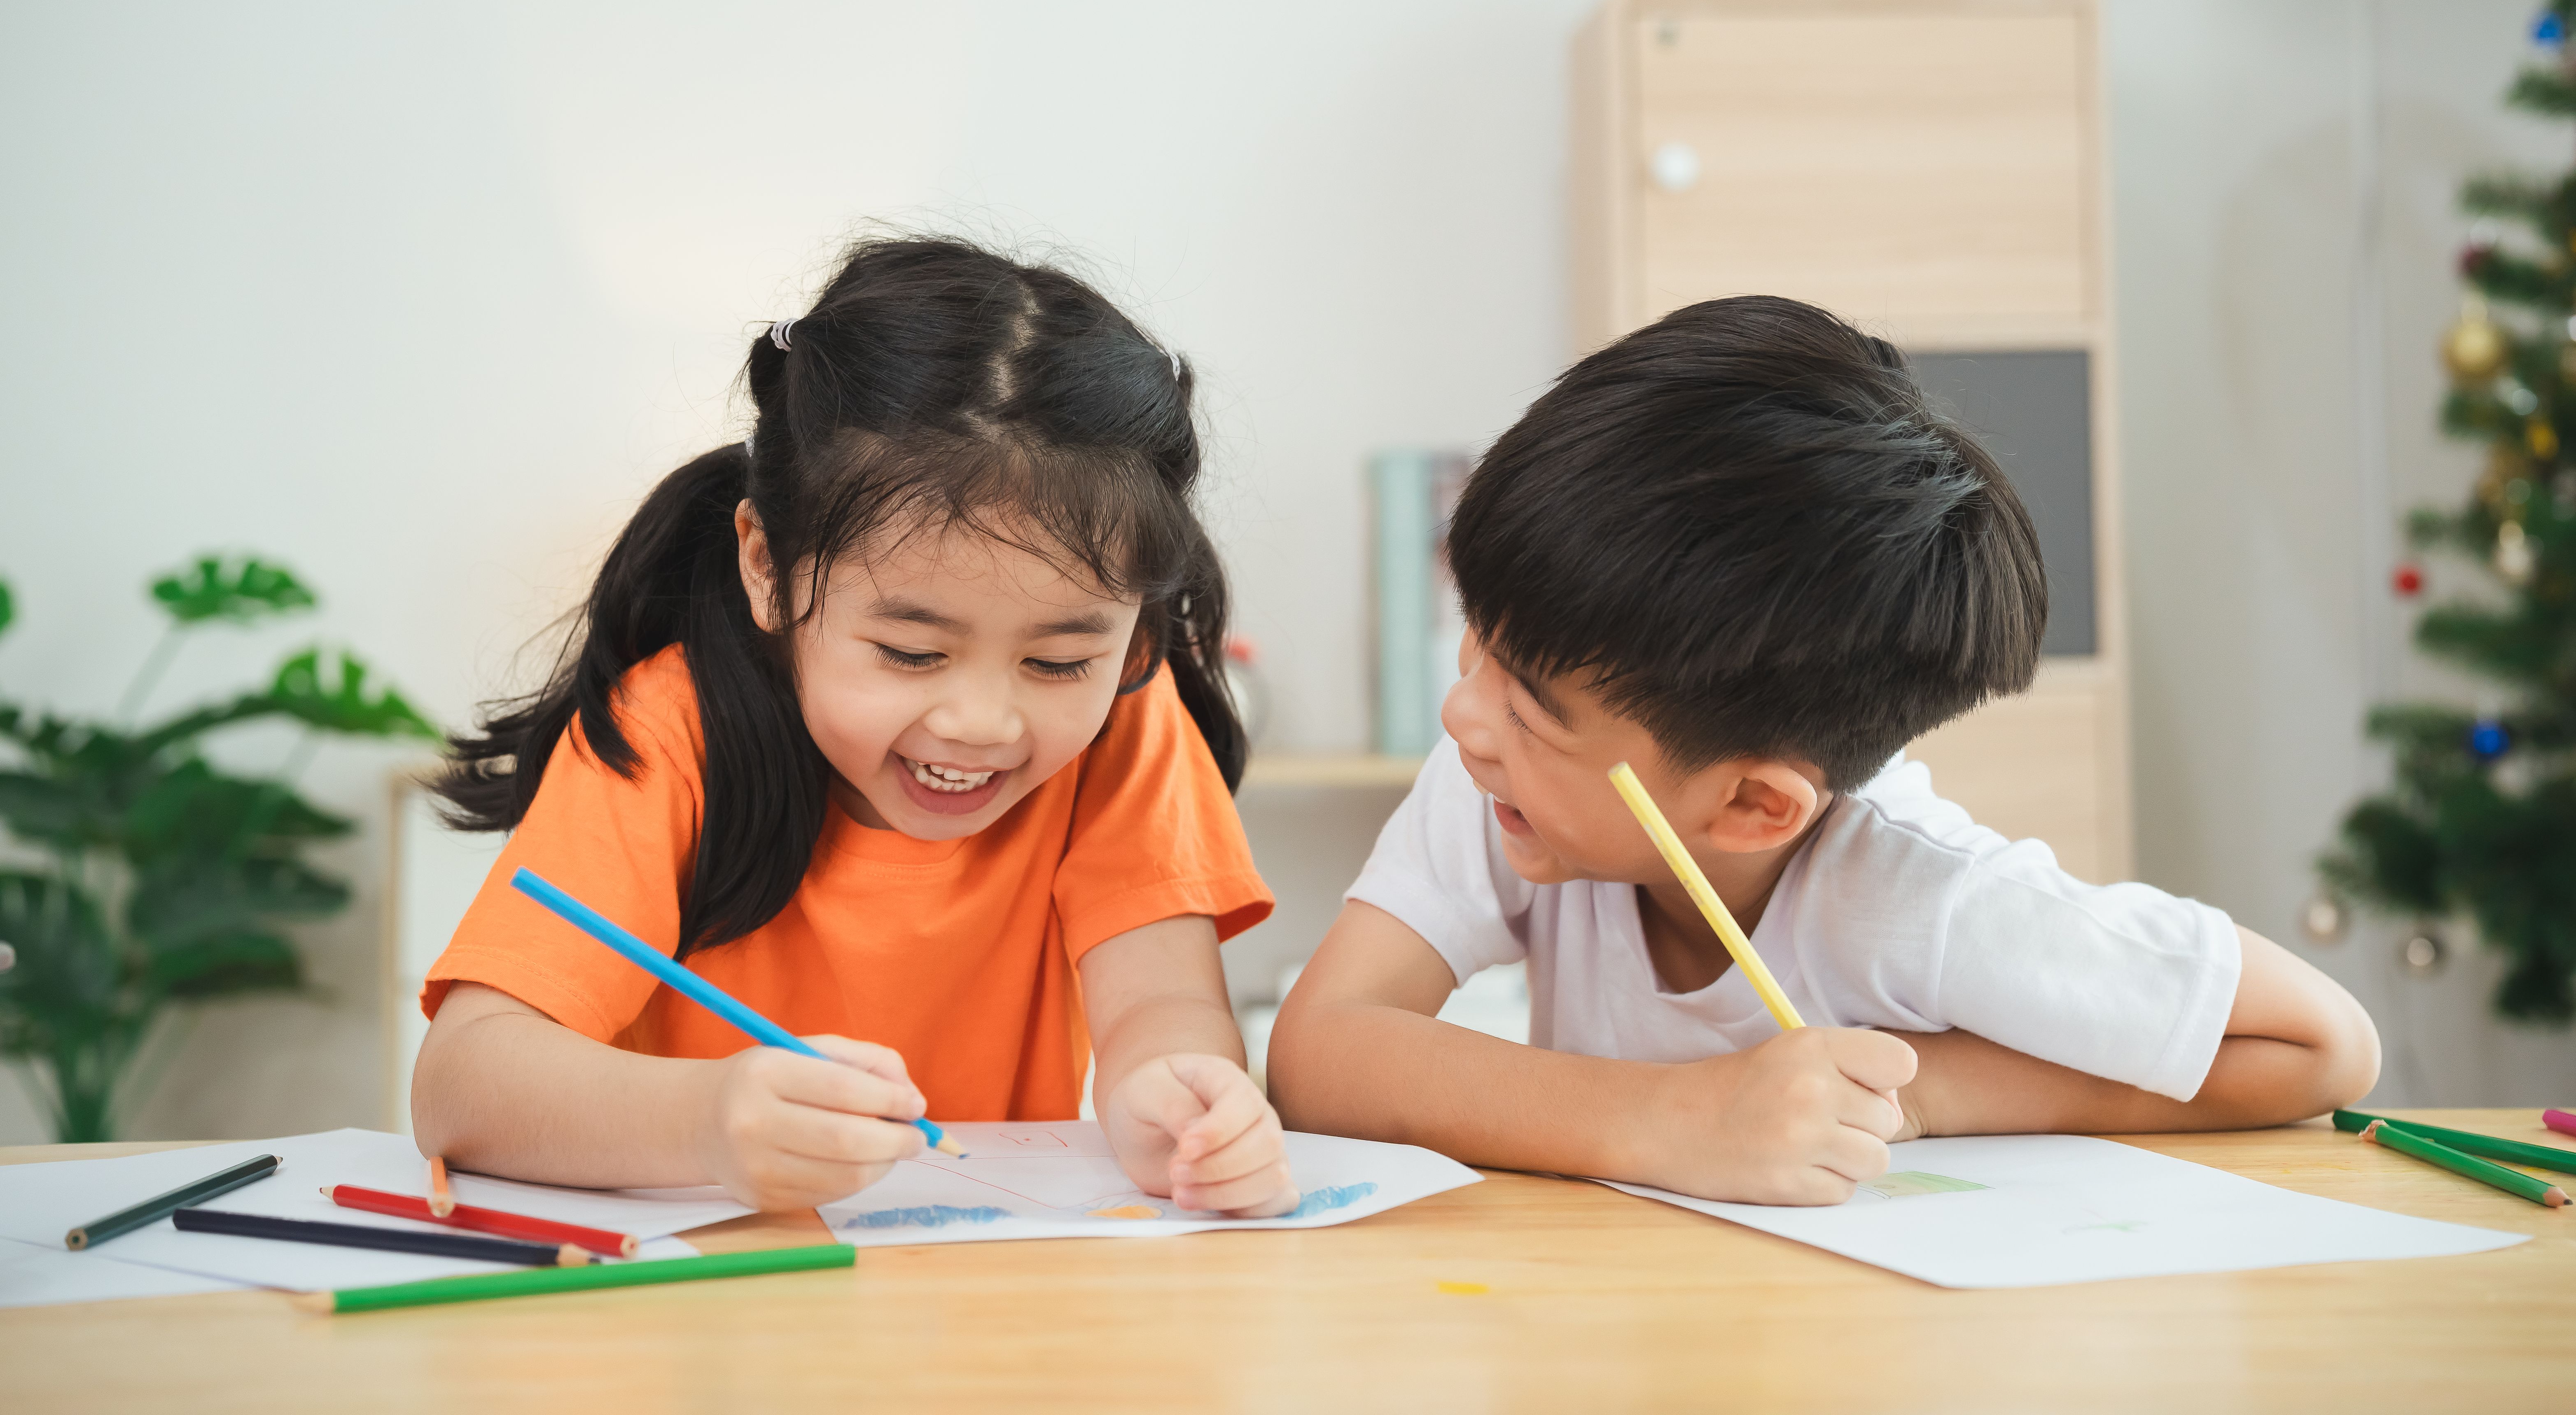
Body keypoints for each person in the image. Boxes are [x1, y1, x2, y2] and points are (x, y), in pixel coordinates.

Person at [1268, 296, 2379, 1205]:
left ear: (1752, 807)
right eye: (1480, 641)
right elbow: (1320, 1052)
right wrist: (1671, 1120)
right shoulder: (1507, 780)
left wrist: (1925, 1093)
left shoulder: (1915, 899)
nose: (1464, 717)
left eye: (1532, 706)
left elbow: (2321, 1046)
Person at [413, 237, 1295, 1219]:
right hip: (697, 1287)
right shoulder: (670, 730)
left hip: (992, 1288)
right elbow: (460, 1085)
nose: (980, 722)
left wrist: (1179, 1100)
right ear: (767, 568)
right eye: (912, 653)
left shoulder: (1126, 723)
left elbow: (1162, 1007)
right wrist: (705, 1122)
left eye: (1057, 664)